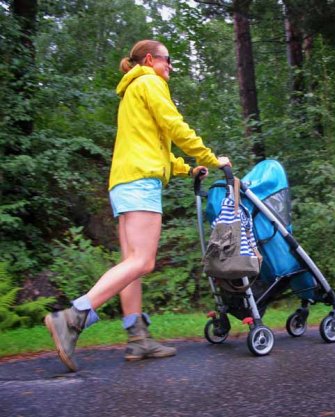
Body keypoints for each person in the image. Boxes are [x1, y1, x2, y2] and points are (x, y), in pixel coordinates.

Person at [44, 39, 230, 372]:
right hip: (141, 182)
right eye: (167, 60)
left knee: (131, 262)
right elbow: (175, 125)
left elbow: (153, 144)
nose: (170, 67)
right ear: (149, 59)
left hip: (124, 182)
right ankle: (73, 317)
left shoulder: (134, 89)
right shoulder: (150, 82)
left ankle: (137, 337)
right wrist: (211, 159)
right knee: (143, 261)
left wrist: (187, 168)